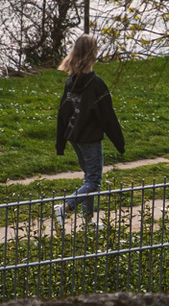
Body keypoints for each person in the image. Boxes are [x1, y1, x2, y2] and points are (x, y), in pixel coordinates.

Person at [53, 34, 125, 228]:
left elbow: (63, 113)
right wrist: (120, 143)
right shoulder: (96, 84)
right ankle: (65, 207)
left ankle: (88, 221)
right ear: (94, 54)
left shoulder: (72, 81)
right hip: (89, 139)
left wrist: (60, 142)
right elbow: (108, 116)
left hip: (74, 137)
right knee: (93, 182)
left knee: (88, 180)